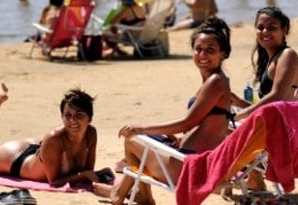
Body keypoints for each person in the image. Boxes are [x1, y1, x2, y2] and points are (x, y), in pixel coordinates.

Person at [93, 17, 233, 205]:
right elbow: (203, 124)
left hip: (185, 168)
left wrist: (142, 129)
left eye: (210, 50)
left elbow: (187, 123)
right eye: (198, 49)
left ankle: (125, 193)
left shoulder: (215, 82)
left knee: (132, 139)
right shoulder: (216, 80)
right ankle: (132, 193)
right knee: (147, 140)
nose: (202, 55)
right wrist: (175, 137)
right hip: (192, 160)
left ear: (222, 54)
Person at [0, 82, 112, 187]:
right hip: (16, 160)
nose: (72, 121)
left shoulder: (91, 133)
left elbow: (88, 170)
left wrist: (96, 174)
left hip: (36, 152)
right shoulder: (55, 137)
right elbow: (53, 181)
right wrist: (82, 175)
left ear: (90, 119)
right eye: (67, 115)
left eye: (79, 115)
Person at [230, 6, 298, 191]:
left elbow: (277, 96)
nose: (265, 32)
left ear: (284, 30)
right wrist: (239, 102)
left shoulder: (288, 55)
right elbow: (270, 104)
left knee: (220, 126)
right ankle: (253, 178)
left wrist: (242, 113)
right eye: (260, 27)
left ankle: (244, 177)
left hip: (283, 128)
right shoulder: (272, 59)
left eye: (272, 27)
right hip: (272, 121)